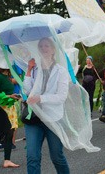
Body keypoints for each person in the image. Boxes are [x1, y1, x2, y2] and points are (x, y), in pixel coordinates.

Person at [23, 37, 70, 173]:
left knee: (57, 156)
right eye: (41, 46)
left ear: (53, 50)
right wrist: (28, 69)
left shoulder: (60, 71)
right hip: (34, 118)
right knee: (32, 156)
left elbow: (61, 97)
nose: (44, 49)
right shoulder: (35, 69)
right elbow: (27, 90)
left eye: (47, 46)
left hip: (53, 119)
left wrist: (41, 98)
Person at [0, 67, 20, 168]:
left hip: (10, 109)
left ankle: (7, 160)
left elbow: (8, 93)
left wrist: (13, 96)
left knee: (9, 134)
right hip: (0, 109)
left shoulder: (8, 77)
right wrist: (8, 96)